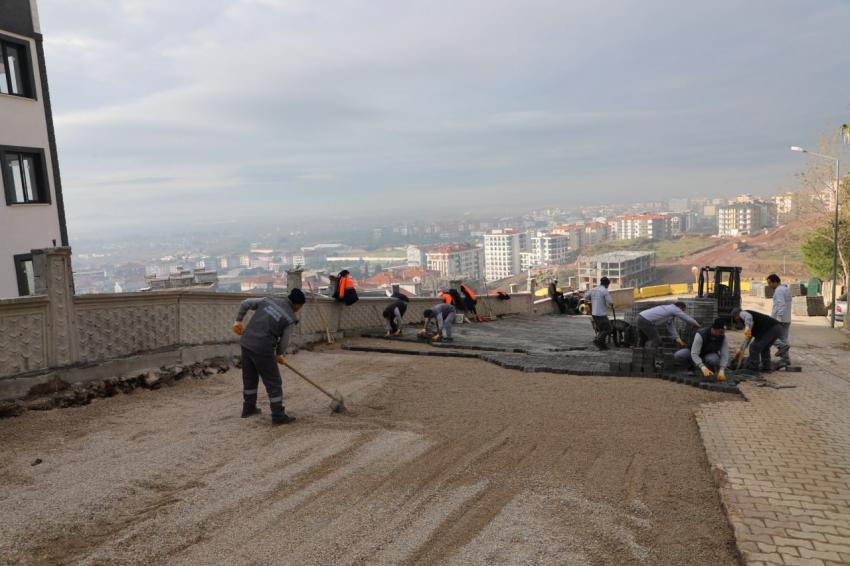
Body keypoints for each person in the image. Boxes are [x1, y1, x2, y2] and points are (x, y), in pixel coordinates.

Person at [232, 288, 306, 424]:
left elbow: (245, 303)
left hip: (247, 342)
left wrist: (238, 321)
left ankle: (248, 408)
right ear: (297, 304)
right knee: (274, 382)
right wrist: (279, 354)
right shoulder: (290, 318)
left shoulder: (269, 300)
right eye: (300, 306)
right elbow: (284, 341)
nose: (299, 309)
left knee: (250, 377)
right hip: (263, 348)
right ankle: (278, 415)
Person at [731, 307, 783, 373]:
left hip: (770, 329)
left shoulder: (743, 313)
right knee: (765, 348)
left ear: (736, 315)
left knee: (754, 347)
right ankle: (766, 368)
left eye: (735, 318)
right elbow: (748, 338)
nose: (737, 321)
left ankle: (753, 368)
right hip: (777, 328)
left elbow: (748, 317)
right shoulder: (751, 322)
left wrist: (747, 328)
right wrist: (741, 350)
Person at [636, 301, 701, 349]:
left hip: (640, 317)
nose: (682, 312)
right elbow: (685, 317)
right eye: (682, 310)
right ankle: (651, 356)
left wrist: (677, 338)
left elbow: (671, 327)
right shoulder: (674, 309)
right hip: (646, 320)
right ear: (680, 307)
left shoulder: (669, 312)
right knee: (656, 340)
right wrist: (696, 323)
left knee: (643, 339)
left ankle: (638, 354)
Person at [767, 274, 792, 366]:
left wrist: (778, 319)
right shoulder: (786, 289)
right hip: (787, 319)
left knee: (770, 336)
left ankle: (785, 358)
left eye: (770, 283)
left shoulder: (779, 291)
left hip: (780, 320)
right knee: (783, 339)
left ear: (775, 282)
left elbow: (781, 305)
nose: (769, 285)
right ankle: (785, 359)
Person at [585, 277, 614, 350]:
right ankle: (598, 340)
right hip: (601, 314)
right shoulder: (604, 291)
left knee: (601, 329)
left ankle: (602, 345)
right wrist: (611, 305)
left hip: (594, 313)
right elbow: (610, 302)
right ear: (607, 284)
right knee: (608, 329)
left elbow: (586, 297)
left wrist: (593, 299)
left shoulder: (593, 289)